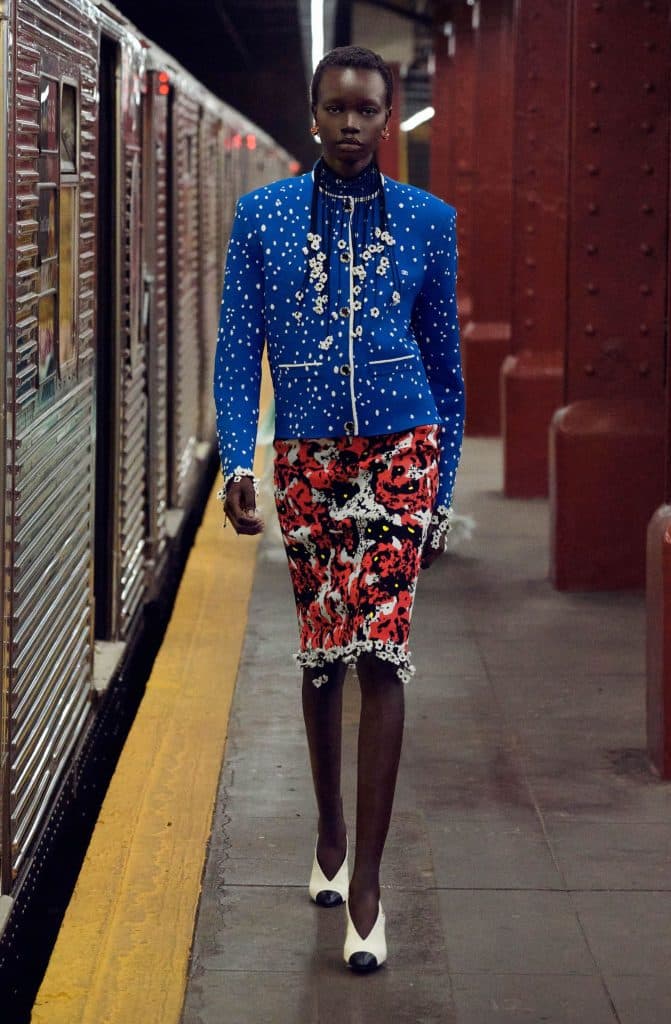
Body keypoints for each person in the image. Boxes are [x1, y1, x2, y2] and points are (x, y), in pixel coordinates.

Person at [214, 45, 464, 973]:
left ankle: (368, 887)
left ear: (387, 117)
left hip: (402, 455)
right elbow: (237, 348)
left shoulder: (430, 221)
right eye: (336, 108)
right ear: (313, 112)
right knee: (323, 654)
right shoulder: (262, 216)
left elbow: (446, 369)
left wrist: (440, 497)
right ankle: (328, 831)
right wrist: (235, 459)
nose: (351, 124)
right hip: (308, 462)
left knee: (381, 655)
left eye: (367, 109)